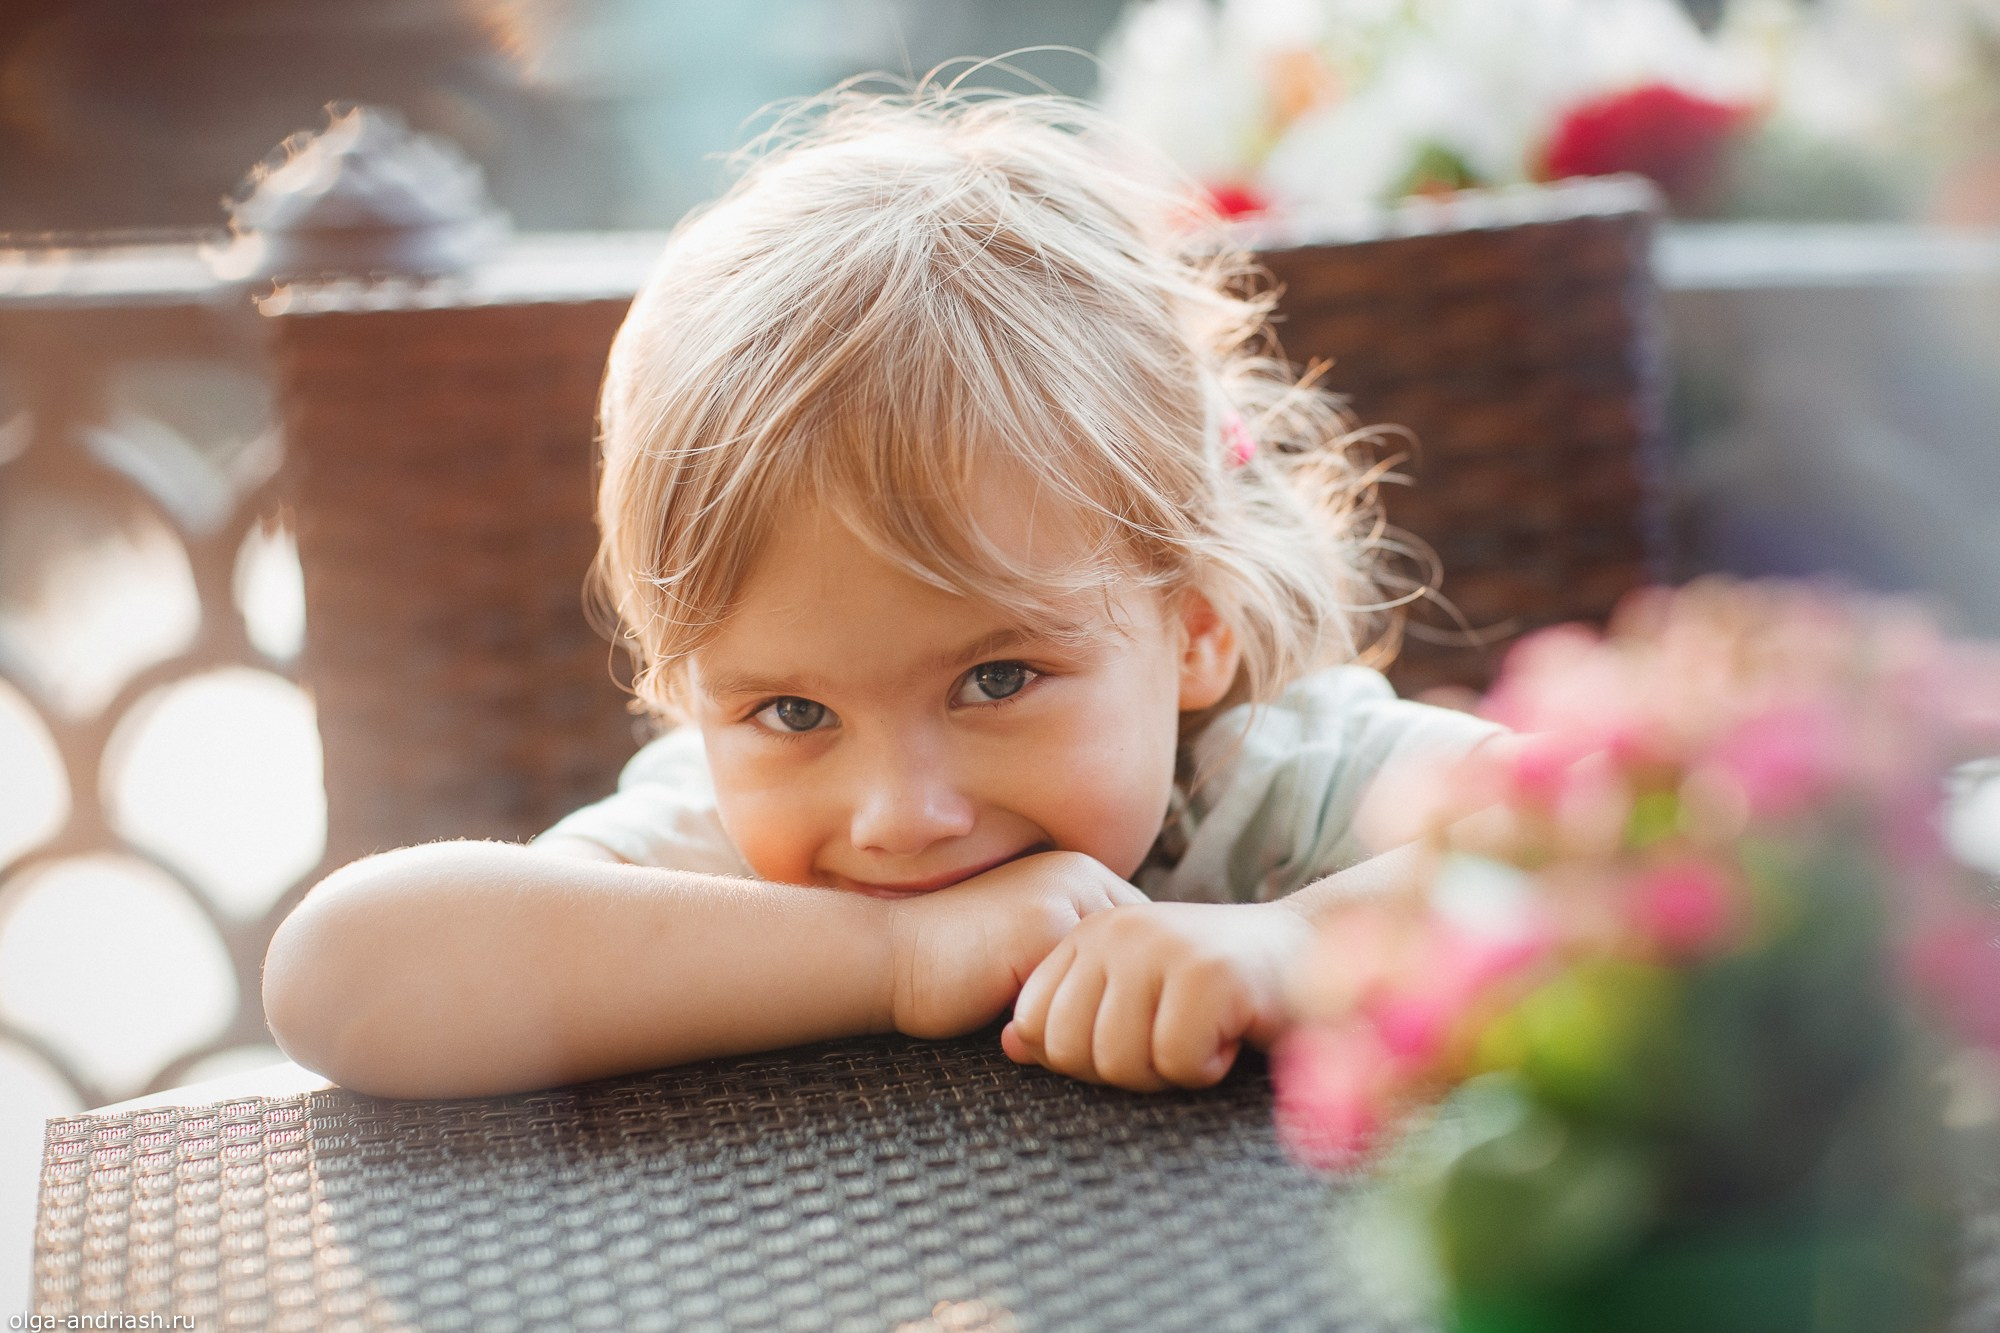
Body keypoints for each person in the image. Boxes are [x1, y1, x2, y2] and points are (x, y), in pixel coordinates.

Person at [261, 84, 1504, 1101]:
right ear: (689, 692)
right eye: (792, 714)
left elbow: (1646, 844)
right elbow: (340, 976)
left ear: (1191, 631)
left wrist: (1290, 944)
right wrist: (896, 957)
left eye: (995, 679)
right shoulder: (713, 855)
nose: (898, 817)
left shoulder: (1274, 792)